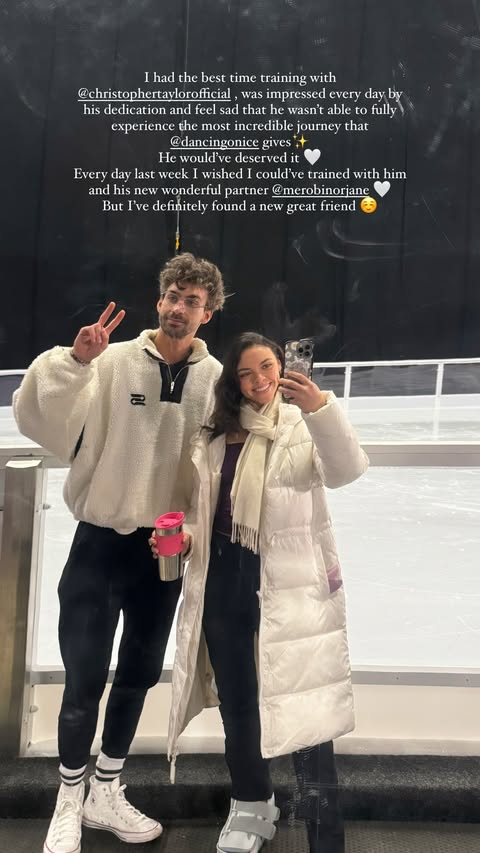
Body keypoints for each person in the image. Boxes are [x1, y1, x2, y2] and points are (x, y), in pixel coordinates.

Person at [13, 253, 225, 853]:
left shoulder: (214, 381)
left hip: (164, 554)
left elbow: (223, 467)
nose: (179, 307)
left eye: (192, 300)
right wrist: (75, 361)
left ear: (208, 313)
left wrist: (195, 531)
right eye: (173, 296)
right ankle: (67, 800)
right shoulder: (109, 361)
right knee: (84, 680)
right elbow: (39, 417)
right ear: (159, 301)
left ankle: (107, 790)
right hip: (99, 547)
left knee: (136, 676)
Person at [151, 332, 369, 853]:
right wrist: (184, 539)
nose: (259, 380)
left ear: (281, 366)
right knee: (240, 703)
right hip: (224, 582)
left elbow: (347, 470)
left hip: (288, 587)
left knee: (305, 709)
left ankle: (325, 830)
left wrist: (320, 408)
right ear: (233, 381)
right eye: (246, 373)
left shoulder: (300, 425)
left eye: (266, 367)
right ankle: (252, 805)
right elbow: (213, 515)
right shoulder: (215, 437)